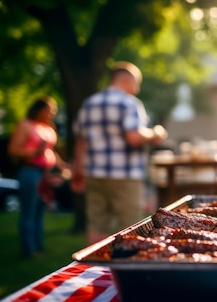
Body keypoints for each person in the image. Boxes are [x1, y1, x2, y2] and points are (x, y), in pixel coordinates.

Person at [71, 61, 168, 245]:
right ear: (127, 80)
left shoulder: (90, 103)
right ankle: (128, 269)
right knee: (131, 226)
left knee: (97, 226)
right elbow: (133, 136)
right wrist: (156, 132)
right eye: (136, 84)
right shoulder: (129, 103)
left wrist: (78, 171)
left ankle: (93, 268)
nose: (136, 89)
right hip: (125, 175)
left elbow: (81, 142)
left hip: (94, 174)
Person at [8, 97, 68, 257]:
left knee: (40, 210)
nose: (52, 114)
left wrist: (63, 165)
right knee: (29, 210)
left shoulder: (48, 127)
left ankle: (38, 246)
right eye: (50, 110)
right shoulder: (26, 125)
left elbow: (50, 151)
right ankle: (29, 249)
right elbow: (13, 149)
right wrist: (34, 153)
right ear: (39, 109)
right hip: (30, 171)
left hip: (44, 174)